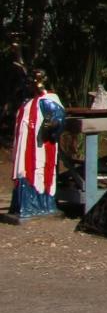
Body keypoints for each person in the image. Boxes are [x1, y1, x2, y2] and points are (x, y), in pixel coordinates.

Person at [11, 70, 64, 220]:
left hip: (39, 147)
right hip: (24, 146)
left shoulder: (48, 99)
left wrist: (51, 124)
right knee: (23, 171)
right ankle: (23, 205)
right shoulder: (27, 103)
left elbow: (58, 118)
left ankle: (39, 205)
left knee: (37, 173)